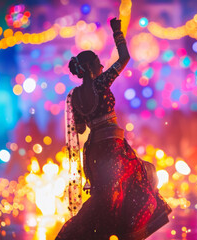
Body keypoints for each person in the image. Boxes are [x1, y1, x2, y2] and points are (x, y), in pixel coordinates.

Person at [55, 18, 171, 240]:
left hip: (94, 154)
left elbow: (79, 130)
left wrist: (90, 115)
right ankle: (121, 232)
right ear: (91, 67)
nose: (101, 66)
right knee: (133, 185)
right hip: (113, 148)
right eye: (98, 62)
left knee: (106, 196)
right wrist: (117, 33)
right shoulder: (100, 83)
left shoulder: (74, 96)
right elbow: (124, 58)